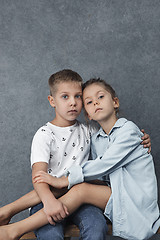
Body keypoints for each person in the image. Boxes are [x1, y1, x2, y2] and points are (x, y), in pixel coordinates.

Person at [0, 75, 151, 240]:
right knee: (63, 203)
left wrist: (140, 139)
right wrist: (54, 194)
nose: (73, 102)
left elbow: (105, 163)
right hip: (58, 196)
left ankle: (14, 227)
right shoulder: (89, 136)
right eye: (89, 102)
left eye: (78, 97)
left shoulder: (106, 131)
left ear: (115, 102)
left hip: (112, 197)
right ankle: (8, 212)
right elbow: (40, 176)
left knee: (84, 200)